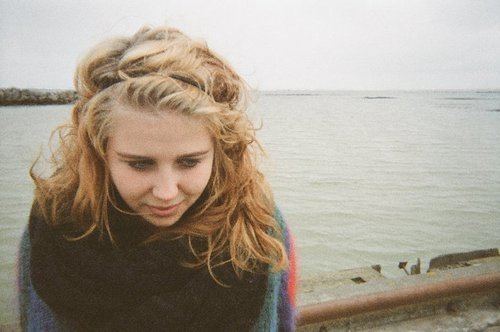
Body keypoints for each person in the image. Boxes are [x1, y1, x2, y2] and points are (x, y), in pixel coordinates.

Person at [17, 26, 297, 331]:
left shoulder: (258, 229)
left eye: (189, 162)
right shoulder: (52, 230)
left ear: (221, 150)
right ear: (100, 152)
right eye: (140, 164)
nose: (166, 192)